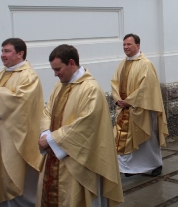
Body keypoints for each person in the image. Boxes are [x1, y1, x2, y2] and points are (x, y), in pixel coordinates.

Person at [38, 44, 123, 206]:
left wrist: (52, 140)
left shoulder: (91, 89)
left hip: (79, 161)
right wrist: (45, 133)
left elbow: (86, 125)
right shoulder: (59, 86)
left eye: (58, 69)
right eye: (53, 70)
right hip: (56, 154)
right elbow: (47, 111)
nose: (56, 75)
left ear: (71, 63)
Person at [0, 38, 43, 206]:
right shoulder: (2, 74)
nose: (2, 55)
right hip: (0, 136)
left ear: (20, 53)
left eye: (7, 51)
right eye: (2, 51)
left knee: (17, 176)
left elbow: (20, 102)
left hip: (18, 138)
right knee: (2, 175)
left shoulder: (29, 76)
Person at [111, 33, 168, 177]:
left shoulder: (146, 64)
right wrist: (118, 99)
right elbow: (114, 83)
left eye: (129, 44)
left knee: (146, 140)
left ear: (138, 45)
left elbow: (146, 88)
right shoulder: (122, 64)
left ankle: (153, 165)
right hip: (125, 109)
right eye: (124, 45)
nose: (126, 47)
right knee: (124, 138)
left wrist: (130, 101)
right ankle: (130, 168)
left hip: (142, 109)